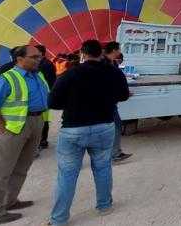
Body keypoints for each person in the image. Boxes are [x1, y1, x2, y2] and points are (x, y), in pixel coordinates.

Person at [48, 40, 130, 225]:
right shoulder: (113, 71)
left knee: (67, 174)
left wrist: (71, 104)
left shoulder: (71, 73)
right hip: (104, 126)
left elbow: (52, 102)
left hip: (73, 128)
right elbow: (124, 95)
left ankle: (59, 219)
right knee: (102, 168)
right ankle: (104, 206)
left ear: (82, 53)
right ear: (101, 53)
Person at [0, 45, 51, 225]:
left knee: (21, 166)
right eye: (34, 57)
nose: (38, 60)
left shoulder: (38, 75)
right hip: (13, 128)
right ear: (19, 59)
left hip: (35, 123)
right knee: (0, 171)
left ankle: (9, 201)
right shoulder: (6, 78)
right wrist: (3, 131)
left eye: (40, 57)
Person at [104, 42, 132, 164]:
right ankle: (114, 154)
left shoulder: (112, 63)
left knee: (115, 126)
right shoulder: (104, 64)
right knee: (115, 126)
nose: (120, 52)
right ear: (114, 50)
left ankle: (114, 152)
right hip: (106, 102)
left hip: (110, 101)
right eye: (119, 50)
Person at [35, 45, 57, 151]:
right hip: (43, 94)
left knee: (43, 118)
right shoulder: (45, 63)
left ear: (41, 53)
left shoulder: (45, 65)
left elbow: (49, 80)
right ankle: (42, 140)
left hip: (44, 94)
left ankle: (42, 140)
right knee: (43, 118)